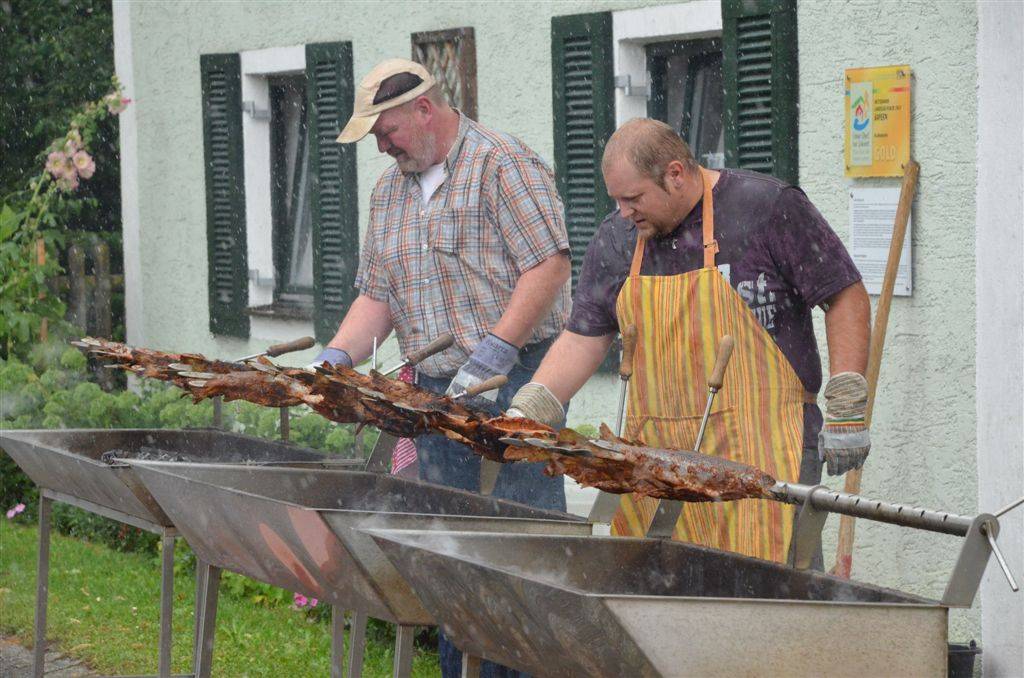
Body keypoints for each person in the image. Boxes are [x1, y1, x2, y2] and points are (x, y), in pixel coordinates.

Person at [508, 118, 871, 566]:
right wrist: (533, 405)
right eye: (617, 200)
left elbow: (843, 296)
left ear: (676, 174)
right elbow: (586, 336)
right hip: (657, 461)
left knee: (770, 588)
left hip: (766, 448)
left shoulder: (768, 208)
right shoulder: (617, 239)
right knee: (659, 588)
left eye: (633, 198)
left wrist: (847, 400)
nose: (624, 212)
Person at [310, 58, 571, 677]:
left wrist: (497, 348)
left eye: (386, 131)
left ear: (423, 110)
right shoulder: (388, 193)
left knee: (520, 553)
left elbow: (549, 265)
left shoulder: (504, 164)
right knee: (448, 553)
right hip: (434, 393)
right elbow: (377, 296)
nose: (381, 147)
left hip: (519, 382)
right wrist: (337, 355)